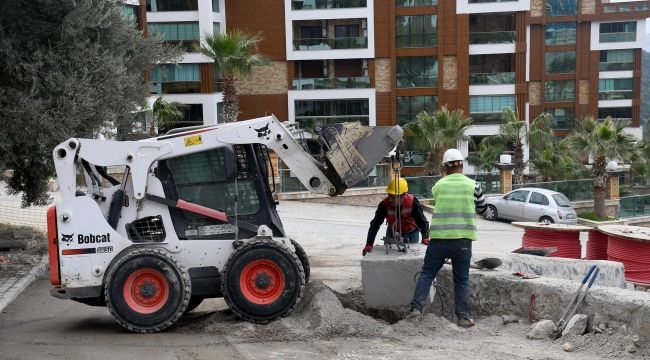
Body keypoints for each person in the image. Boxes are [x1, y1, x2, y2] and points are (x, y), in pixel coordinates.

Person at [405, 148, 487, 328]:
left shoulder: (439, 186)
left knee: (427, 274)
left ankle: (415, 309)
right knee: (462, 279)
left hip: (439, 240)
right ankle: (463, 317)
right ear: (462, 165)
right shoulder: (473, 186)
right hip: (463, 241)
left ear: (445, 167)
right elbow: (482, 209)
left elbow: (438, 199)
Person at [363, 177, 429, 256]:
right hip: (392, 231)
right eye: (389, 195)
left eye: (393, 197)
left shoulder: (413, 202)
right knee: (388, 255)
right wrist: (369, 243)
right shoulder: (384, 205)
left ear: (402, 196)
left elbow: (422, 222)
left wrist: (425, 237)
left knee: (410, 256)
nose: (390, 199)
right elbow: (375, 224)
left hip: (411, 232)